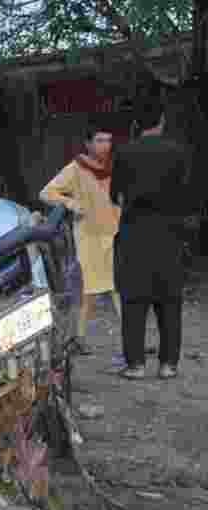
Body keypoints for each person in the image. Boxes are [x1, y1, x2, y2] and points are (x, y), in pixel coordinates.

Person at [110, 100, 195, 380]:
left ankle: (135, 365)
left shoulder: (124, 152)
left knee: (133, 302)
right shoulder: (179, 152)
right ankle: (168, 365)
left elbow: (117, 197)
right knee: (170, 301)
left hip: (134, 236)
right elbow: (188, 196)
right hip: (170, 235)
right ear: (161, 122)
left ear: (136, 125)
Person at [39, 126, 122, 356]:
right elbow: (47, 193)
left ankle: (130, 339)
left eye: (108, 140)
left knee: (120, 288)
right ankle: (79, 337)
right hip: (89, 237)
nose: (105, 145)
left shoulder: (115, 167)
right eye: (99, 140)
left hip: (115, 234)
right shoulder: (76, 169)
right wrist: (73, 205)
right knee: (91, 291)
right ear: (88, 143)